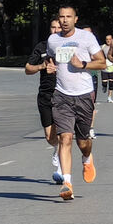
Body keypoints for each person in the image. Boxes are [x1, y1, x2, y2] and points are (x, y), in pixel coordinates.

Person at [45, 5, 106, 200]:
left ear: (75, 19)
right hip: (62, 95)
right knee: (65, 138)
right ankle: (67, 183)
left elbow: (102, 62)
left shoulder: (86, 38)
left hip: (84, 95)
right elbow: (51, 58)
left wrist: (84, 64)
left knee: (83, 142)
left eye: (68, 17)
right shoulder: (53, 40)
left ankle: (87, 159)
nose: (64, 20)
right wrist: (50, 66)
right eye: (61, 17)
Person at [25, 17, 64, 183]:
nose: (55, 30)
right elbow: (27, 69)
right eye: (53, 27)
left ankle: (62, 171)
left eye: (58, 28)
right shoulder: (42, 47)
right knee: (50, 136)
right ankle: (56, 149)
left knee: (64, 133)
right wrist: (42, 66)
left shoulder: (68, 46)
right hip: (45, 95)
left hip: (63, 94)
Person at [101, 34, 113, 103]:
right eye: (107, 39)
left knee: (111, 83)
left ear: (112, 40)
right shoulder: (103, 47)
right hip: (105, 67)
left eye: (109, 39)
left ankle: (109, 97)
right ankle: (104, 86)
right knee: (105, 82)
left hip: (112, 67)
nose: (108, 41)